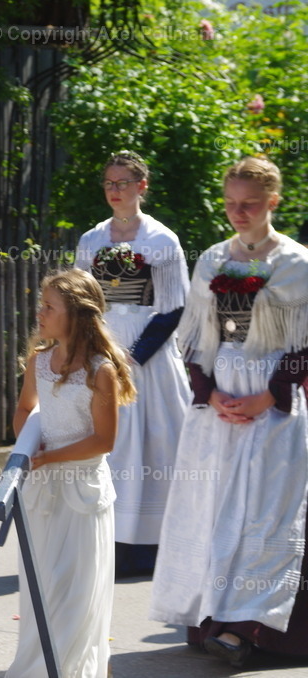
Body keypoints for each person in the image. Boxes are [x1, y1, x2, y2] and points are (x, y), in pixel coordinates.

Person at [150, 156, 308, 667]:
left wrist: (270, 394)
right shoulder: (213, 259)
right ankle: (211, 620)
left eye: (251, 205)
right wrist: (210, 391)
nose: (239, 213)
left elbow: (306, 342)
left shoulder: (298, 264)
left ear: (273, 203)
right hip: (219, 407)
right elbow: (193, 337)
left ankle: (250, 628)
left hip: (273, 408)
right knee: (213, 507)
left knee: (265, 516)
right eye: (232, 204)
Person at [8, 268, 136, 678]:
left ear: (77, 315)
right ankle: (37, 666)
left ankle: (74, 668)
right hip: (43, 489)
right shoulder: (39, 361)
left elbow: (104, 440)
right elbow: (26, 409)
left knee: (76, 586)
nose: (39, 312)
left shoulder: (100, 370)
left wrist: (52, 457)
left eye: (49, 306)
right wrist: (29, 443)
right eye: (41, 304)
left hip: (82, 490)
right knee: (42, 581)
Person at [74, 150, 191, 577]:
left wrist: (135, 356)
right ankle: (104, 541)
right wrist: (93, 347)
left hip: (148, 359)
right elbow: (81, 299)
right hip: (102, 348)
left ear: (142, 187)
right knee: (109, 444)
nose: (115, 191)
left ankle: (152, 548)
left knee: (153, 445)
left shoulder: (162, 240)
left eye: (123, 183)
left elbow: (175, 305)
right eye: (109, 183)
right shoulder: (91, 240)